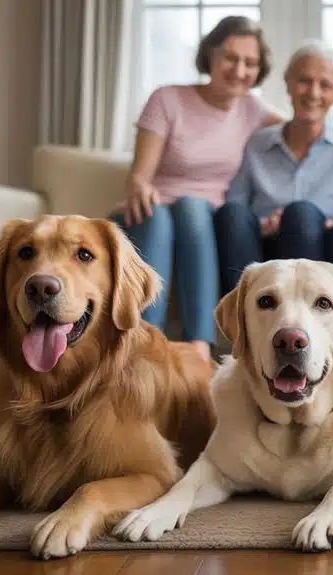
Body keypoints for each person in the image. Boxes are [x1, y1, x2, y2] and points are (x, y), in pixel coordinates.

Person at [110, 16, 282, 362]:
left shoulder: (254, 110)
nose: (239, 70)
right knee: (162, 213)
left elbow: (302, 131)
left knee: (192, 208)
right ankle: (143, 345)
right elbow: (140, 176)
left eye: (250, 63)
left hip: (203, 219)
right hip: (152, 213)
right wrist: (139, 186)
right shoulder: (167, 99)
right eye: (230, 57)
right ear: (210, 56)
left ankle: (199, 348)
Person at [215, 40, 333, 294]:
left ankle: (305, 317)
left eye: (325, 85)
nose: (313, 93)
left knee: (302, 216)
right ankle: (241, 321)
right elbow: (236, 203)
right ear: (287, 82)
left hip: (322, 257)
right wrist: (266, 223)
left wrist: (318, 224)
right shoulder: (258, 143)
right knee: (231, 213)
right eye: (304, 80)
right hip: (261, 250)